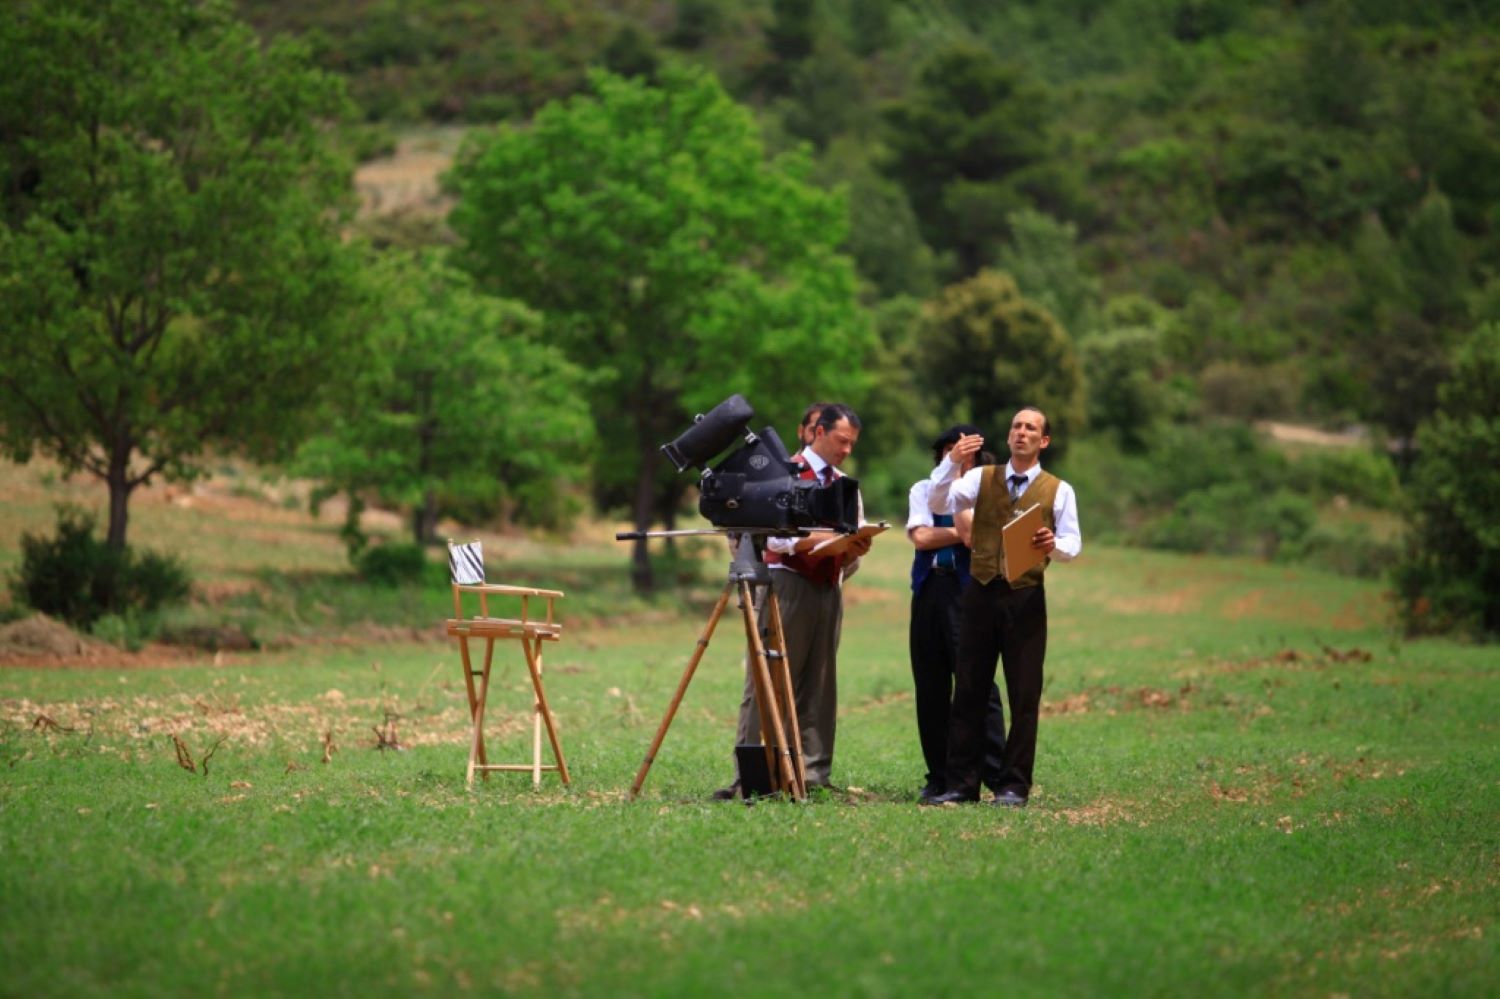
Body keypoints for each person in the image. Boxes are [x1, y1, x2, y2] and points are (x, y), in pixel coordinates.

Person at [921, 406, 1081, 807]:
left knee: (1023, 693)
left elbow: (1072, 544)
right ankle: (962, 784)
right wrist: (951, 464)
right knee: (969, 689)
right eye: (1015, 426)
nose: (1021, 432)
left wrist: (1053, 546)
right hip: (978, 591)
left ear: (1043, 441)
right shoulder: (980, 477)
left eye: (1030, 428)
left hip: (1025, 597)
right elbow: (937, 498)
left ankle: (1013, 785)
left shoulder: (1058, 489)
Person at [716, 403, 872, 798]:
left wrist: (853, 547)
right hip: (786, 585)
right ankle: (754, 778)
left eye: (852, 443)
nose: (846, 450)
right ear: (816, 433)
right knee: (768, 681)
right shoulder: (781, 475)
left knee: (819, 684)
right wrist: (820, 539)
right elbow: (772, 537)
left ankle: (810, 775)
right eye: (841, 441)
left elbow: (850, 533)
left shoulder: (844, 483)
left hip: (828, 588)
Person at [906, 424, 1008, 803]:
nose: (959, 456)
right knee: (930, 685)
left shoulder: (991, 490)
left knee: (977, 682)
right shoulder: (923, 489)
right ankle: (939, 775)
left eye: (967, 450)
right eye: (951, 450)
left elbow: (975, 535)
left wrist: (957, 531)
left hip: (971, 592)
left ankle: (997, 776)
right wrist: (964, 534)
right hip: (929, 589)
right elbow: (921, 538)